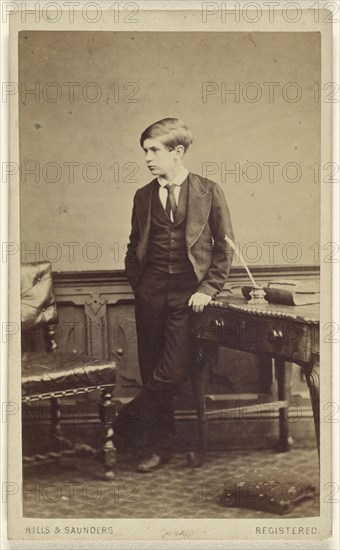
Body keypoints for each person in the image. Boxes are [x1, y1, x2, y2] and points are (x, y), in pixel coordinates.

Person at [114, 118, 234, 472]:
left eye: (155, 150)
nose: (148, 158)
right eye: (145, 151)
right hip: (150, 293)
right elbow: (134, 245)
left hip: (188, 296)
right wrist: (140, 283)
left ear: (177, 152)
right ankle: (160, 447)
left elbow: (225, 249)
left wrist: (208, 290)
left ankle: (124, 419)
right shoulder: (143, 195)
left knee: (171, 372)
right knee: (152, 368)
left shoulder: (208, 191)